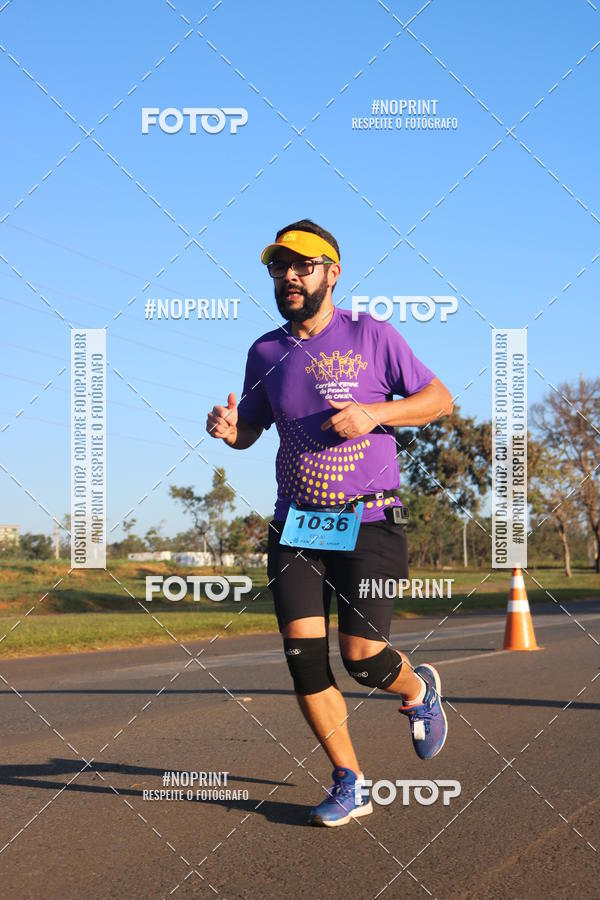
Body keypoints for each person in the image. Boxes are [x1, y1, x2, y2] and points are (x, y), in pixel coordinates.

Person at [206, 219, 454, 826]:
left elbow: (439, 399)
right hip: (296, 526)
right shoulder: (264, 352)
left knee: (363, 658)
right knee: (304, 660)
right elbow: (251, 431)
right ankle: (350, 780)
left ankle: (418, 690)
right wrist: (229, 431)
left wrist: (374, 412)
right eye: (278, 267)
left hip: (369, 519)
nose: (288, 277)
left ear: (331, 271)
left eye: (302, 265)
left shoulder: (372, 336)